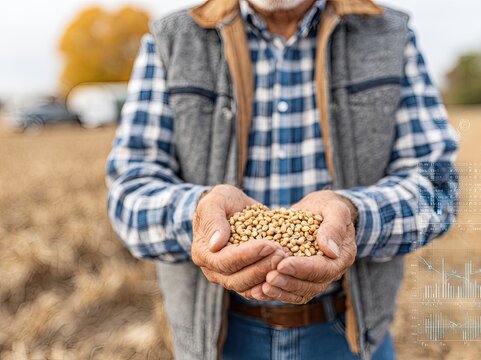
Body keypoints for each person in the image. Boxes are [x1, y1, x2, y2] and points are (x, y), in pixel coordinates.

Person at [106, 0, 458, 359]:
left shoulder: (388, 34)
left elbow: (437, 186)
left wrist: (354, 215)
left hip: (350, 335)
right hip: (217, 339)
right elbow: (129, 193)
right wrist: (200, 217)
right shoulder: (173, 39)